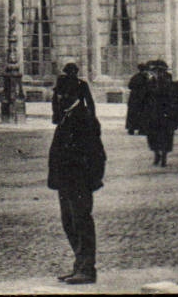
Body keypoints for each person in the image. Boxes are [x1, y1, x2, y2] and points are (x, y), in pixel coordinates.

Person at [47, 65, 105, 286]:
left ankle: (87, 269)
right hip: (66, 181)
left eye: (62, 95)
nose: (59, 99)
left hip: (79, 182)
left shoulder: (84, 119)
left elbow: (98, 155)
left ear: (72, 96)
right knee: (69, 222)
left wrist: (90, 181)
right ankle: (79, 265)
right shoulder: (67, 117)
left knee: (81, 222)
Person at [145, 61, 178, 167]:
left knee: (165, 136)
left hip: (164, 114)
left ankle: (163, 156)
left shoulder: (167, 83)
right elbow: (146, 98)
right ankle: (156, 154)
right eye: (155, 71)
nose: (157, 73)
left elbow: (171, 98)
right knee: (153, 136)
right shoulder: (150, 82)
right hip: (152, 114)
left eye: (159, 71)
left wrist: (170, 112)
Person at [125, 63, 150, 136]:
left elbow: (130, 86)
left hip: (134, 98)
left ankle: (131, 129)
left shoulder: (135, 77)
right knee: (141, 114)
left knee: (133, 114)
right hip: (142, 99)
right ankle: (141, 129)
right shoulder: (145, 78)